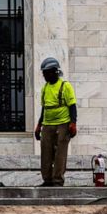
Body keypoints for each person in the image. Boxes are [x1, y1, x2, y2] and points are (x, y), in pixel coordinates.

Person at [34, 57, 77, 187]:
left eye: (47, 72)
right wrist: (39, 125)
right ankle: (47, 179)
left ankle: (57, 180)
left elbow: (72, 106)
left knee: (60, 153)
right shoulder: (45, 88)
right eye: (44, 73)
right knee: (46, 152)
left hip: (63, 123)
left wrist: (73, 123)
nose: (45, 75)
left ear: (54, 72)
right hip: (48, 124)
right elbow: (44, 108)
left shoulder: (65, 86)